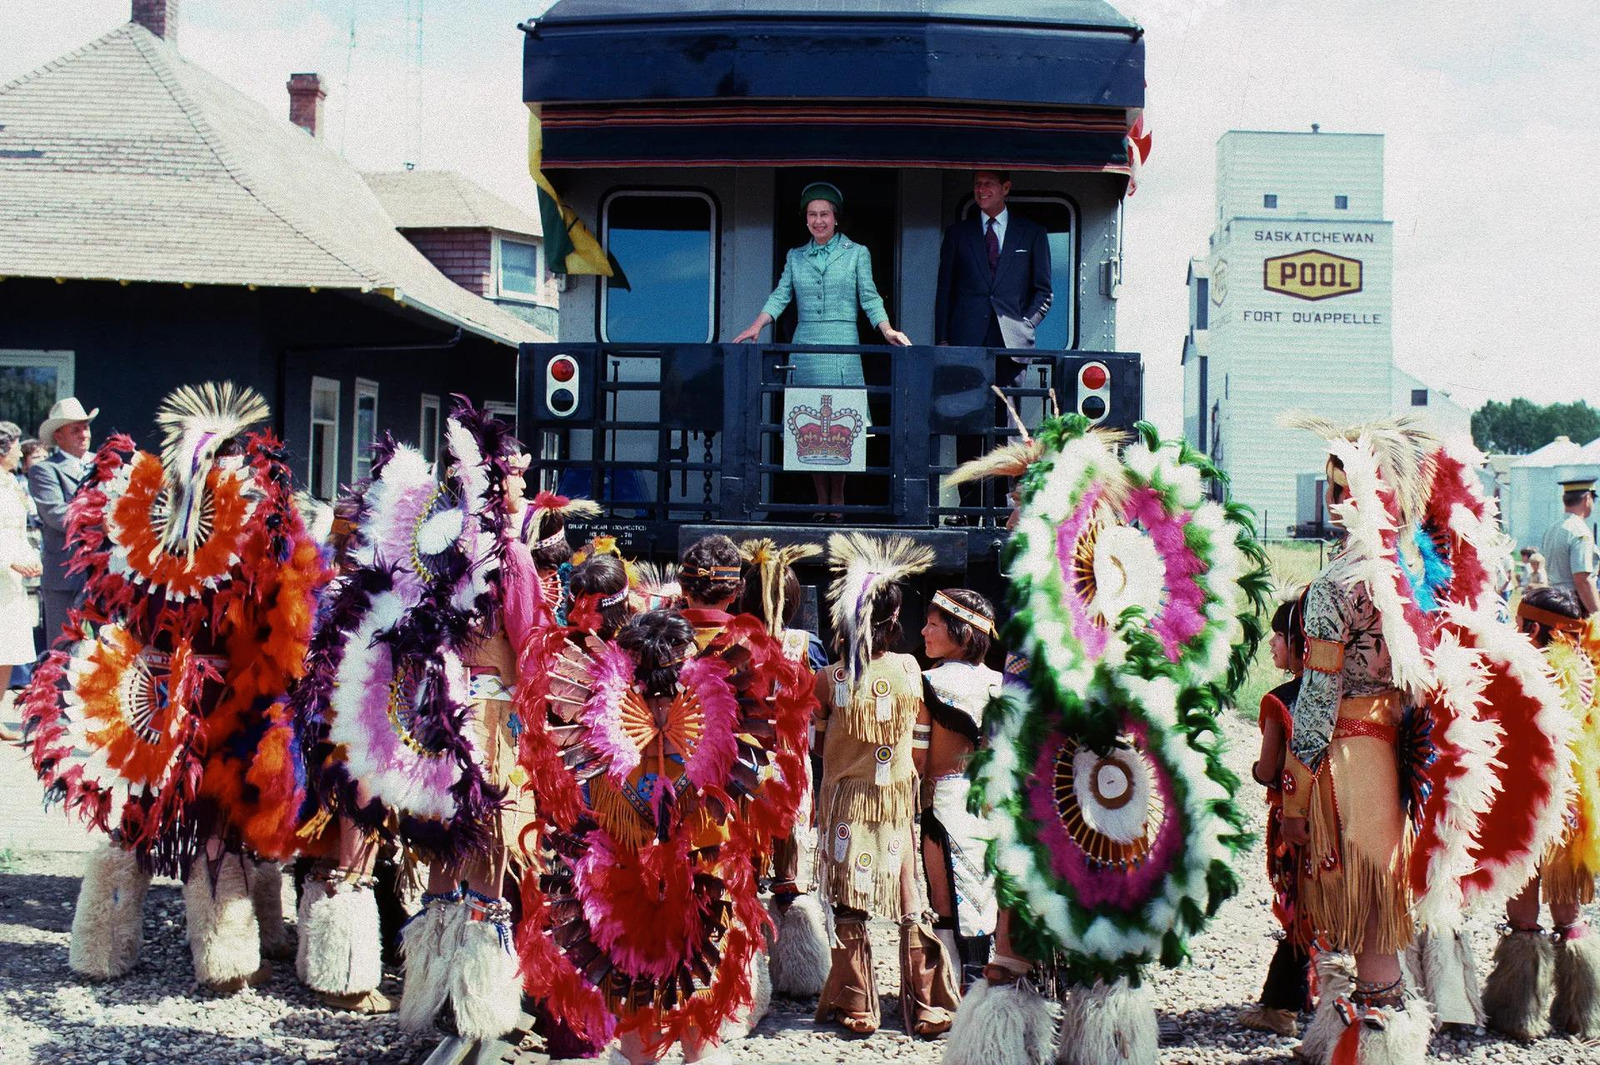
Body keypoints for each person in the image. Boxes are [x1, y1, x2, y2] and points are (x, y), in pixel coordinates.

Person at [813, 532, 958, 1036]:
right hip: (894, 796)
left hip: (847, 799)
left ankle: (858, 1003)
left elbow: (816, 742)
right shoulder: (909, 668)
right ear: (894, 619)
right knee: (906, 891)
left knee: (851, 893)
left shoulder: (829, 677)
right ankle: (924, 1003)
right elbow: (919, 736)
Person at [734, 181, 912, 513]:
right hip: (805, 349)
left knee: (841, 427)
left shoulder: (857, 253)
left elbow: (869, 298)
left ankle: (839, 498)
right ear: (805, 220)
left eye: (825, 214)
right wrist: (756, 326)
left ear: (835, 218)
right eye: (813, 215)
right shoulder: (795, 256)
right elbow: (781, 295)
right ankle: (820, 498)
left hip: (843, 346)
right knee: (810, 428)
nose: (819, 221)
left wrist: (887, 329)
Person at [1481, 585, 1600, 1041]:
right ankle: (1581, 1012)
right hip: (1576, 804)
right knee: (1568, 911)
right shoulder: (1585, 666)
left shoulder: (1525, 670)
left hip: (1531, 801)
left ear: (1531, 627)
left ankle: (1518, 1013)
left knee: (1526, 905)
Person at [738, 538, 831, 997]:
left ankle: (746, 976)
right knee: (789, 863)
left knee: (743, 867)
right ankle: (800, 968)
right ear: (793, 602)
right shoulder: (805, 645)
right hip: (791, 767)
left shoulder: (732, 641)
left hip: (744, 766)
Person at [934, 171, 1052, 519]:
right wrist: (944, 340)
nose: (980, 190)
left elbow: (1044, 292)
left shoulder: (1032, 233)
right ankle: (970, 506)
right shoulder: (958, 235)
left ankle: (1003, 507)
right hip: (966, 346)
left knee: (1006, 429)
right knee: (967, 426)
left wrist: (1025, 324)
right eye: (976, 184)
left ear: (1005, 189)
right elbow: (945, 291)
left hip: (1011, 347)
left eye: (988, 184)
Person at [915, 587, 1001, 988]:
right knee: (986, 895)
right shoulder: (999, 685)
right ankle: (983, 979)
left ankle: (952, 987)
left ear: (963, 633)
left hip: (944, 804)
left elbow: (917, 758)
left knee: (947, 904)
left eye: (933, 624)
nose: (924, 632)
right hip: (991, 804)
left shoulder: (927, 684)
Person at [1238, 594, 1314, 1039]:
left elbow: (1268, 770)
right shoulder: (1343, 695)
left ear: (1298, 643)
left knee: (1297, 908)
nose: (1271, 645)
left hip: (1293, 822)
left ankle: (1281, 1007)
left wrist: (1257, 773)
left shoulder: (1279, 700)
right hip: (1336, 820)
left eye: (1278, 637)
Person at [28, 397, 96, 644]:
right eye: (75, 429)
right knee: (63, 648)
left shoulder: (105, 463)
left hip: (106, 572)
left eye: (85, 427)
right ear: (58, 436)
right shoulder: (45, 469)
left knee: (113, 645)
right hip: (65, 572)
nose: (83, 434)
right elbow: (56, 514)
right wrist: (102, 521)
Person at [0, 421, 41, 743]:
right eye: (15, 446)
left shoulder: (12, 482)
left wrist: (31, 557)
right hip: (2, 570)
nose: (18, 451)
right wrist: (8, 560)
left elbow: (17, 529)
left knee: (7, 648)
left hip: (12, 581)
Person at [1541, 478, 1597, 615]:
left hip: (1554, 603)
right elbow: (1582, 580)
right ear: (1587, 498)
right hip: (1575, 605)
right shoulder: (1580, 531)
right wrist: (1597, 614)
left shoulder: (1552, 529)